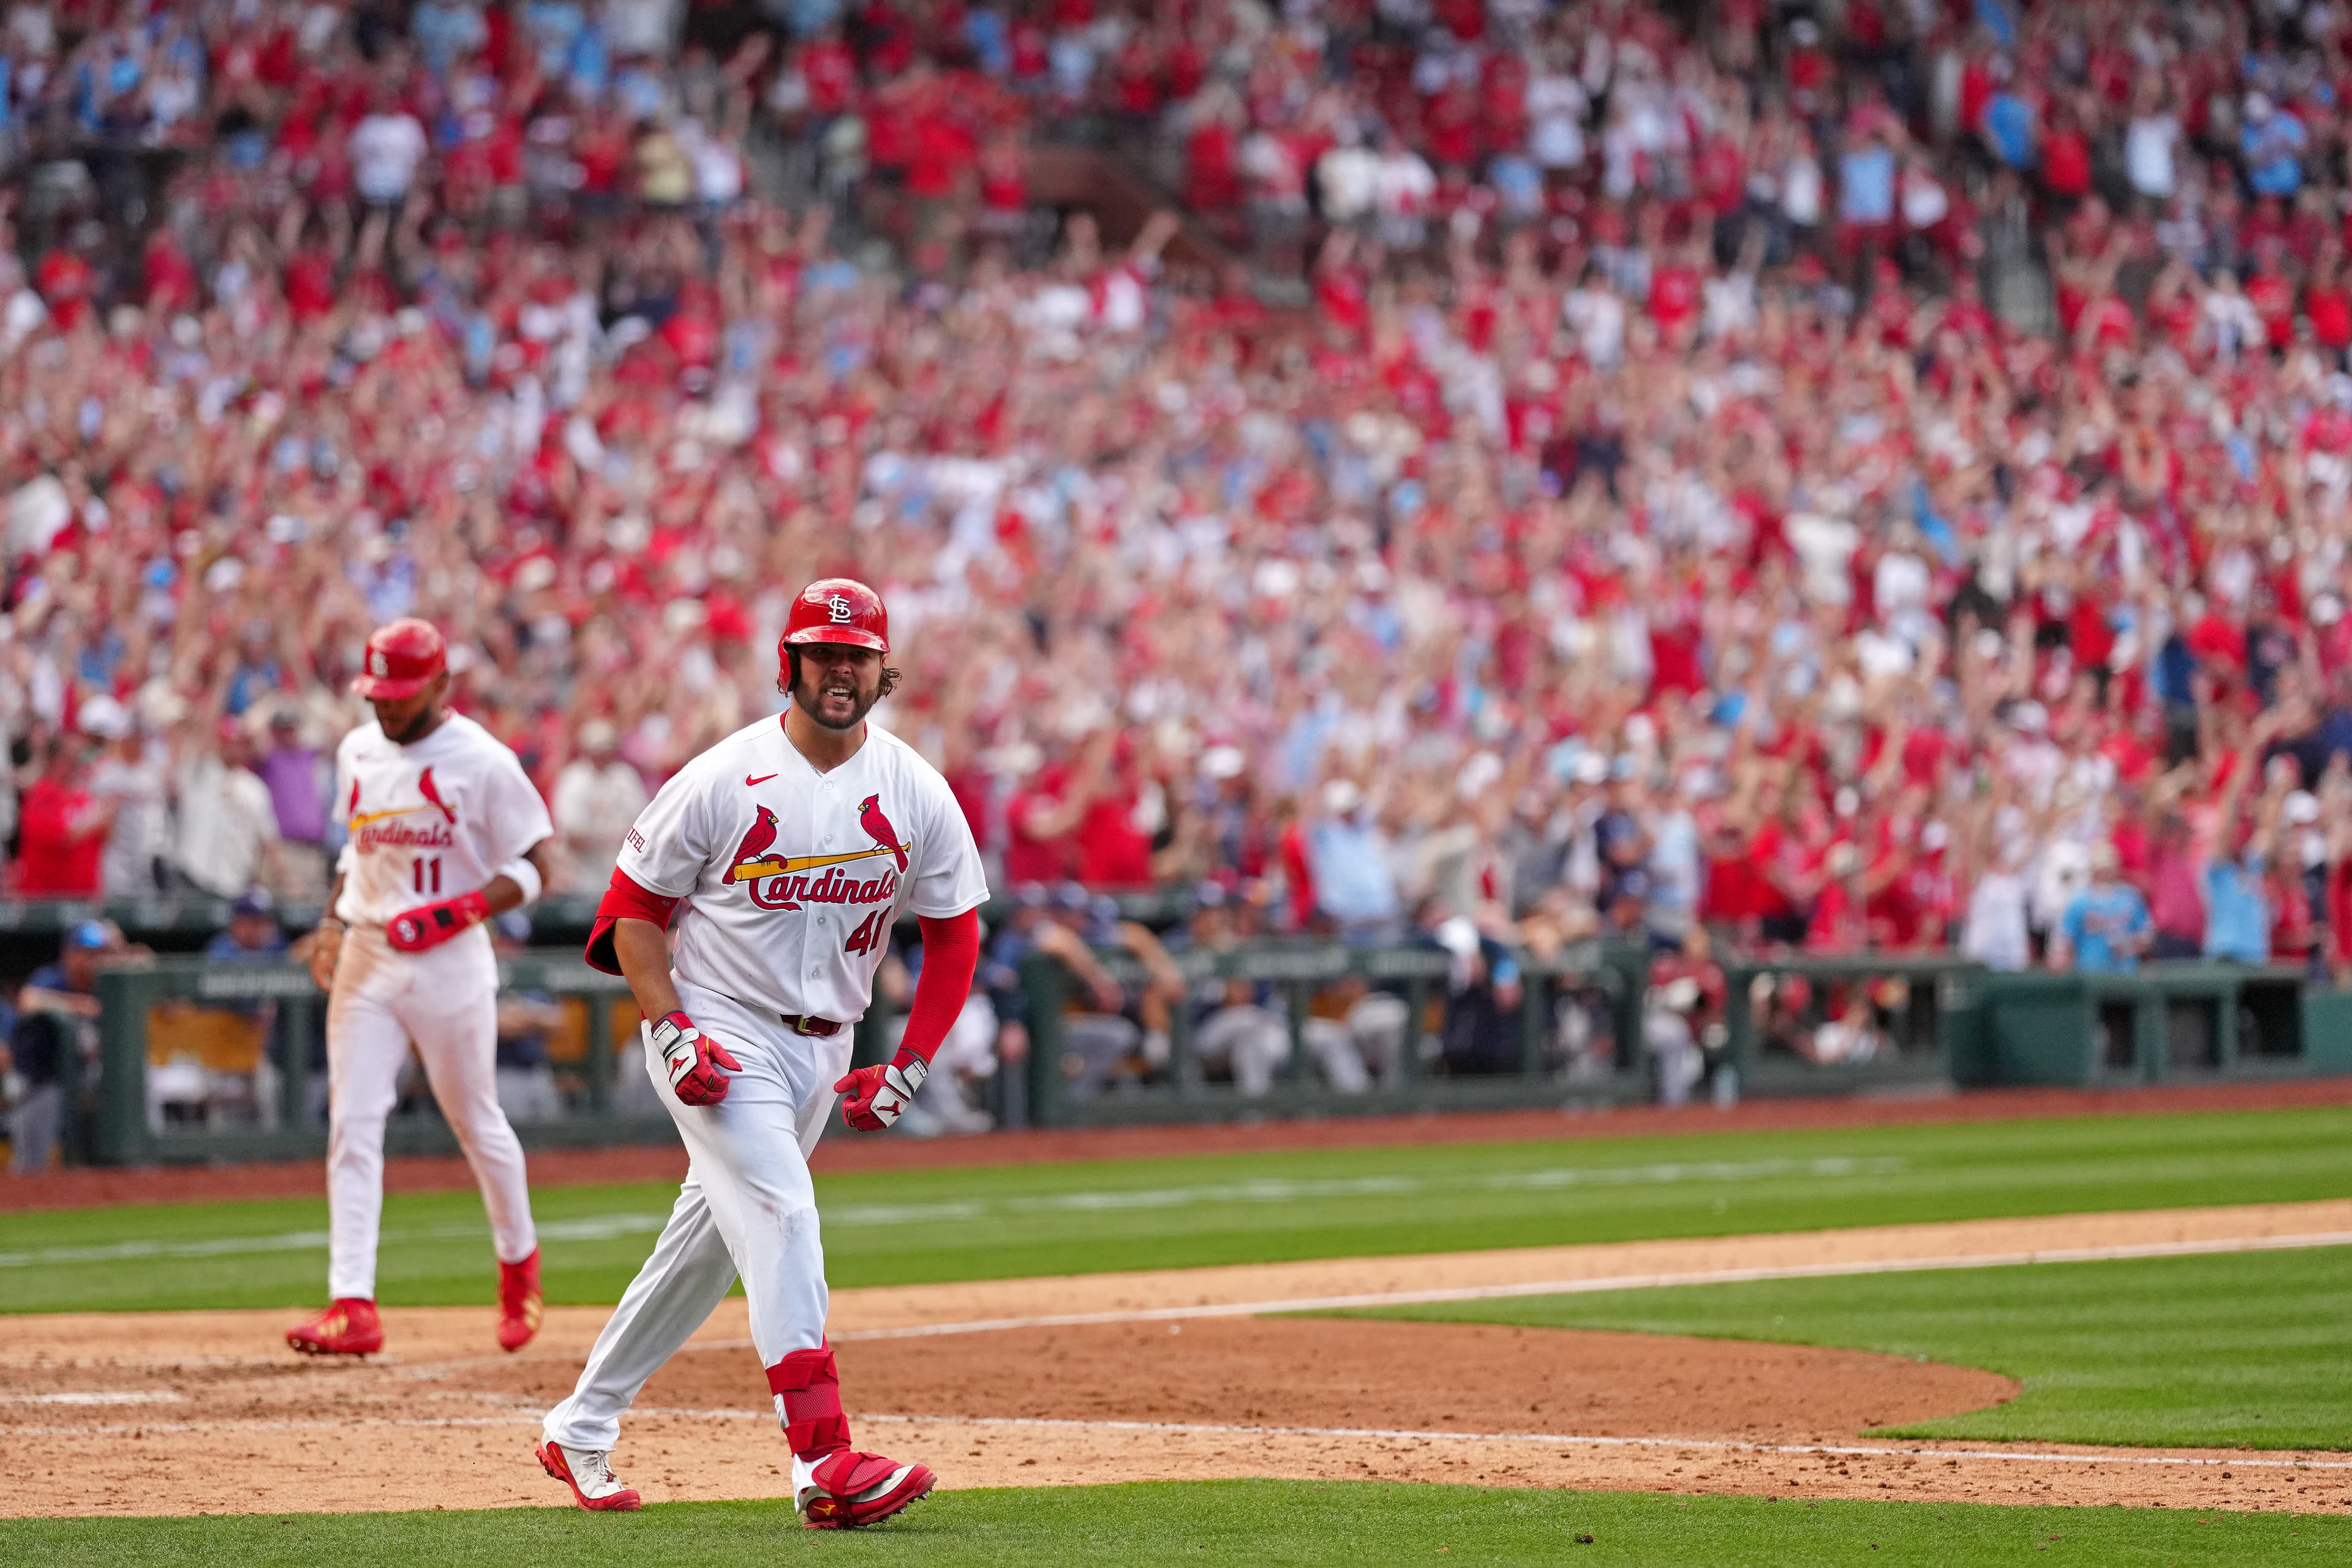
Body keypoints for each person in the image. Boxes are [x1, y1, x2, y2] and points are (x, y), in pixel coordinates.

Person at [539, 578, 985, 1528]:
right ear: (789, 663)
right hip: (718, 1022)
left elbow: (954, 933)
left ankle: (581, 1424)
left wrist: (908, 1063)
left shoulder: (914, 787)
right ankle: (823, 1460)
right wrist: (669, 1027)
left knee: (702, 1253)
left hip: (827, 1044)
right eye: (822, 655)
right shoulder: (723, 775)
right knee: (783, 1213)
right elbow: (631, 915)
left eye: (856, 656)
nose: (839, 671)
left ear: (880, 668)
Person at [287, 617, 557, 1360]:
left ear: (441, 685)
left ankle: (518, 1268)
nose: (387, 707)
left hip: (451, 958)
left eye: (402, 694)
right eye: (379, 694)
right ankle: (353, 1303)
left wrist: (461, 908)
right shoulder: (359, 748)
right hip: (369, 952)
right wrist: (332, 921)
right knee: (353, 1120)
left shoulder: (483, 761)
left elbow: (539, 863)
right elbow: (354, 845)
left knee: (475, 1120)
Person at [4, 921, 132, 1172]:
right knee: (31, 1164)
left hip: (89, 1081)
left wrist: (122, 951)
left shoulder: (110, 982)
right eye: (87, 954)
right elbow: (28, 1000)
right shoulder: (52, 978)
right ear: (69, 955)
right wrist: (79, 1004)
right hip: (41, 1081)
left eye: (100, 954)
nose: (93, 960)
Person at [552, 718, 649, 891]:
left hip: (620, 869)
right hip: (581, 874)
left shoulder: (626, 777)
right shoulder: (574, 779)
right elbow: (572, 836)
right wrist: (612, 838)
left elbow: (644, 825)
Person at [15, 732, 115, 897]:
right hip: (46, 902)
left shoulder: (84, 797)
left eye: (81, 757)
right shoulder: (41, 796)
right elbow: (63, 837)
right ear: (55, 759)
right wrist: (101, 818)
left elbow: (105, 837)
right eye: (71, 757)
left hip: (84, 897)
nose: (78, 764)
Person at [2055, 845, 2152, 974]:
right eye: (2102, 869)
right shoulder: (2081, 900)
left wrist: (2128, 946)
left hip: (2125, 977)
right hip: (2091, 977)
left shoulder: (2130, 897)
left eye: (2110, 868)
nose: (2106, 873)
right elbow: (2067, 940)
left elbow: (2147, 935)